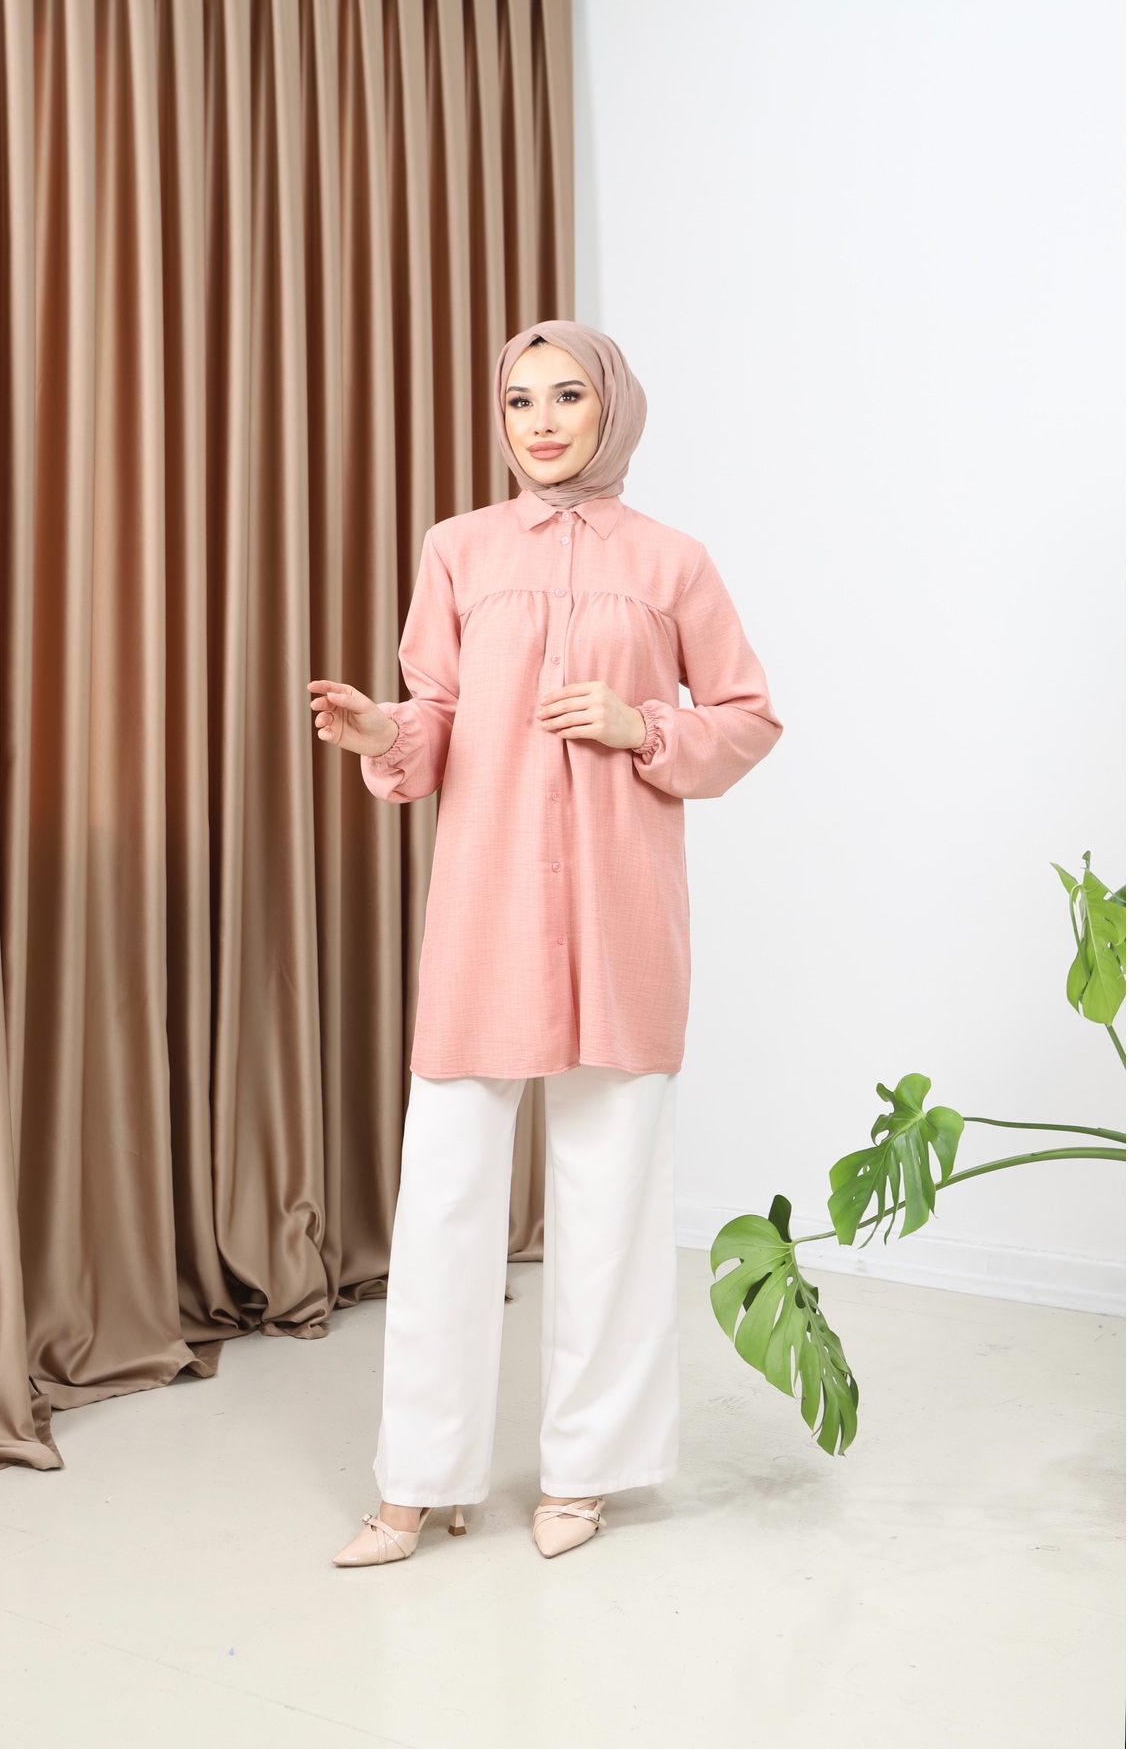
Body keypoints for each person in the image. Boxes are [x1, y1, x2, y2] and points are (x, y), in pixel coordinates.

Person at [307, 320, 783, 1566]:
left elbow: (747, 719)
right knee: (446, 1202)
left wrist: (644, 728)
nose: (543, 421)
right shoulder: (457, 549)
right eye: (520, 400)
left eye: (568, 396)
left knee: (609, 1205)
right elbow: (437, 715)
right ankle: (417, 1482)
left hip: (622, 925)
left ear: (611, 408)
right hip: (487, 917)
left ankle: (587, 1472)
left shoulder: (673, 562)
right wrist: (381, 734)